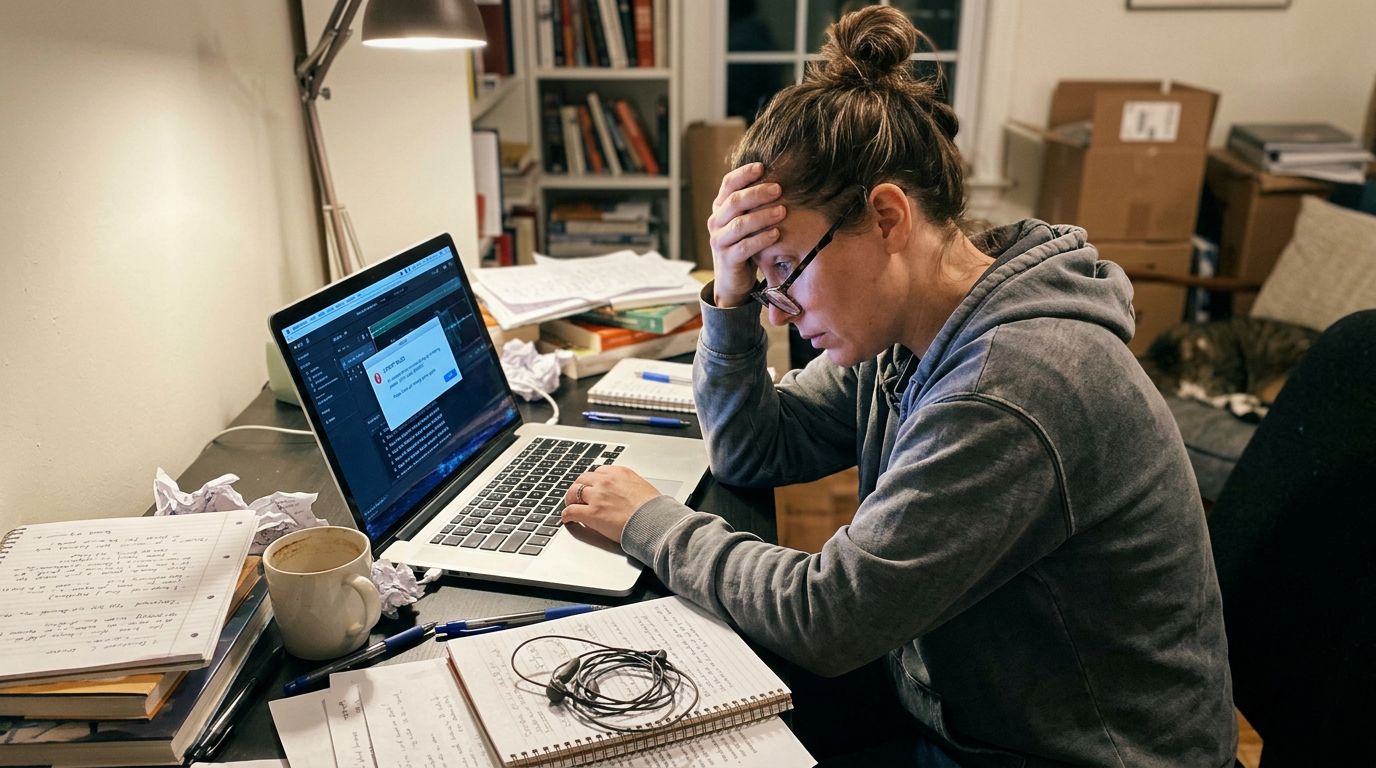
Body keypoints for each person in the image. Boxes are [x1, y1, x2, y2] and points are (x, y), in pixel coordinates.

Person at [560, 6, 1236, 766]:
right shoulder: (915, 329)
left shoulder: (1012, 387)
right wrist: (729, 292)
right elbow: (755, 449)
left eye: (783, 269)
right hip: (957, 704)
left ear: (886, 217)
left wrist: (649, 523)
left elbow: (830, 616)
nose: (775, 302)